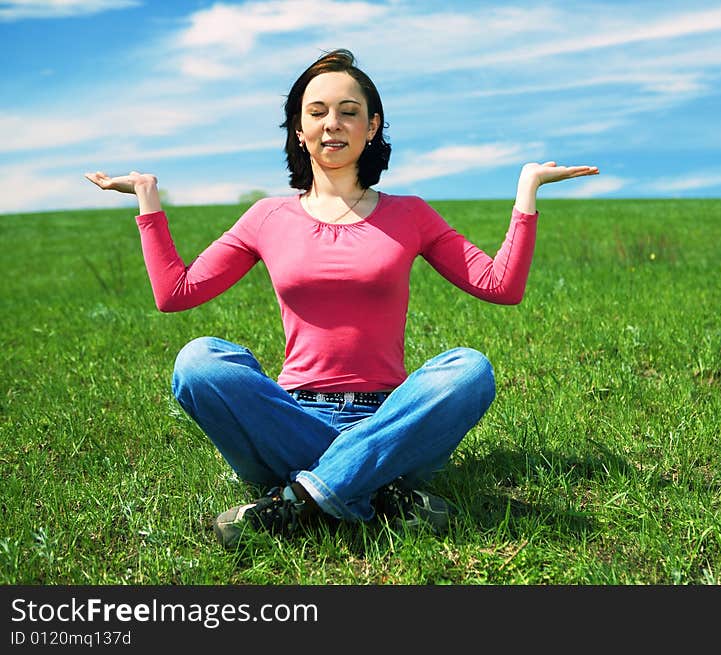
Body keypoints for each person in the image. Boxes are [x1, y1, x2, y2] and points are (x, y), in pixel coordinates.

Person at [85, 48, 599, 549]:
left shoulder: (411, 215)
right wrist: (148, 199)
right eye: (318, 112)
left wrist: (526, 190)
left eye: (349, 112)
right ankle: (377, 488)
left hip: (389, 418)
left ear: (372, 126)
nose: (333, 123)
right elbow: (176, 294)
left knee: (468, 370)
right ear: (299, 128)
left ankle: (295, 500)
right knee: (198, 362)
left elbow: (499, 287)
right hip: (286, 421)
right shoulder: (266, 217)